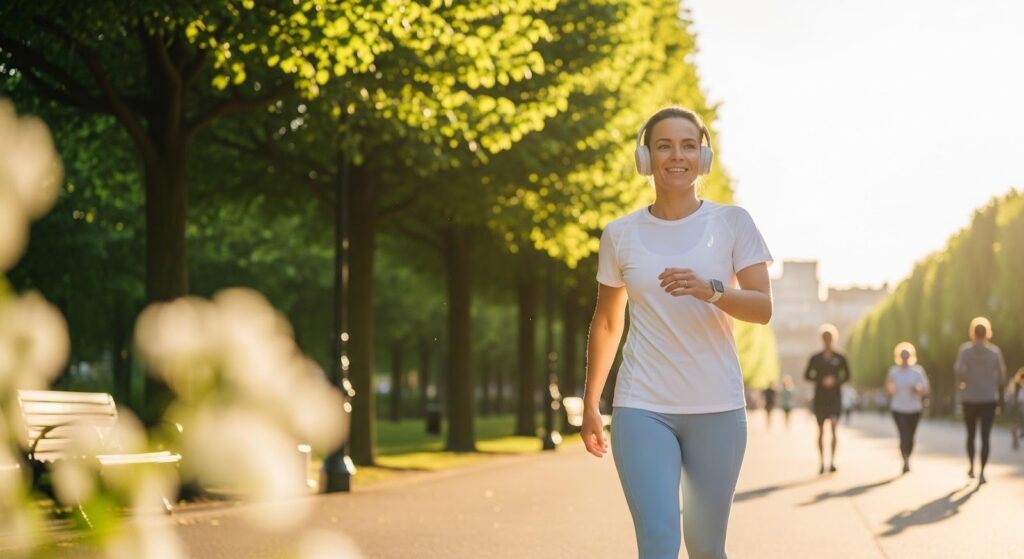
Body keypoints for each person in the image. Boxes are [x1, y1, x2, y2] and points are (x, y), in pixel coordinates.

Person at [581, 106, 772, 559]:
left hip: (717, 407)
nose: (676, 156)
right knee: (659, 542)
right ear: (645, 158)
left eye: (688, 145)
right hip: (642, 404)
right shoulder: (620, 235)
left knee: (706, 547)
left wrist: (712, 290)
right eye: (663, 146)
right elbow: (607, 322)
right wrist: (591, 401)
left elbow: (763, 308)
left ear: (703, 157)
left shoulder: (732, 223)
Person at [955, 317, 1007, 484]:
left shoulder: (965, 351)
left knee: (971, 435)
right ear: (988, 333)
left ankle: (971, 466)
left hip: (970, 398)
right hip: (988, 399)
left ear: (972, 333)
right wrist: (1001, 401)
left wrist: (964, 381)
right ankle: (982, 472)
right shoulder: (994, 352)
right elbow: (1002, 377)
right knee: (985, 437)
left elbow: (959, 371)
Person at [804, 324, 850, 474]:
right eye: (825, 338)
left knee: (834, 428)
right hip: (820, 398)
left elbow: (848, 376)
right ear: (822, 340)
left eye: (829, 338)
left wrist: (835, 381)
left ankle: (833, 461)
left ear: (834, 339)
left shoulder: (841, 357)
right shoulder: (815, 358)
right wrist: (821, 379)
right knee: (821, 430)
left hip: (835, 397)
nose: (827, 341)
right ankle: (822, 461)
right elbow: (807, 375)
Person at [886, 342, 930, 473]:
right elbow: (888, 389)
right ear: (898, 356)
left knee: (910, 436)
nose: (905, 357)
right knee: (903, 434)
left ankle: (908, 456)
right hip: (898, 408)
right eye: (902, 355)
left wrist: (918, 389)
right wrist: (891, 388)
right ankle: (905, 460)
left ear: (911, 356)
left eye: (907, 355)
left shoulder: (917, 371)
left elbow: (926, 389)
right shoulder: (893, 372)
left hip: (914, 409)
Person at [1011, 367, 1024, 451]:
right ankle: (1016, 440)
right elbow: (1016, 400)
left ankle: (1019, 435)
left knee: (1017, 425)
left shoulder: (1019, 388)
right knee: (1015, 426)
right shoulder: (1018, 388)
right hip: (1020, 408)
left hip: (1020, 408)